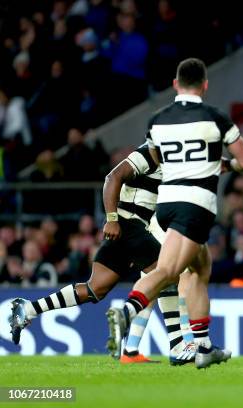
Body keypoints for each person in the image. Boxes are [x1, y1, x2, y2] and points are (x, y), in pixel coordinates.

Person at [106, 57, 243, 369]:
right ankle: (126, 313)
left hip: (166, 203)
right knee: (168, 271)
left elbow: (159, 158)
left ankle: (202, 346)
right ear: (205, 85)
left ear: (175, 85)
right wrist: (220, 163)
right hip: (195, 204)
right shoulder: (214, 117)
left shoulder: (157, 120)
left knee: (200, 267)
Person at [9, 143, 195, 365]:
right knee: (167, 275)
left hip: (129, 231)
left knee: (94, 289)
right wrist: (112, 219)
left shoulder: (173, 160)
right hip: (129, 225)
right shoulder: (150, 152)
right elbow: (112, 178)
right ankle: (177, 344)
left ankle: (28, 308)